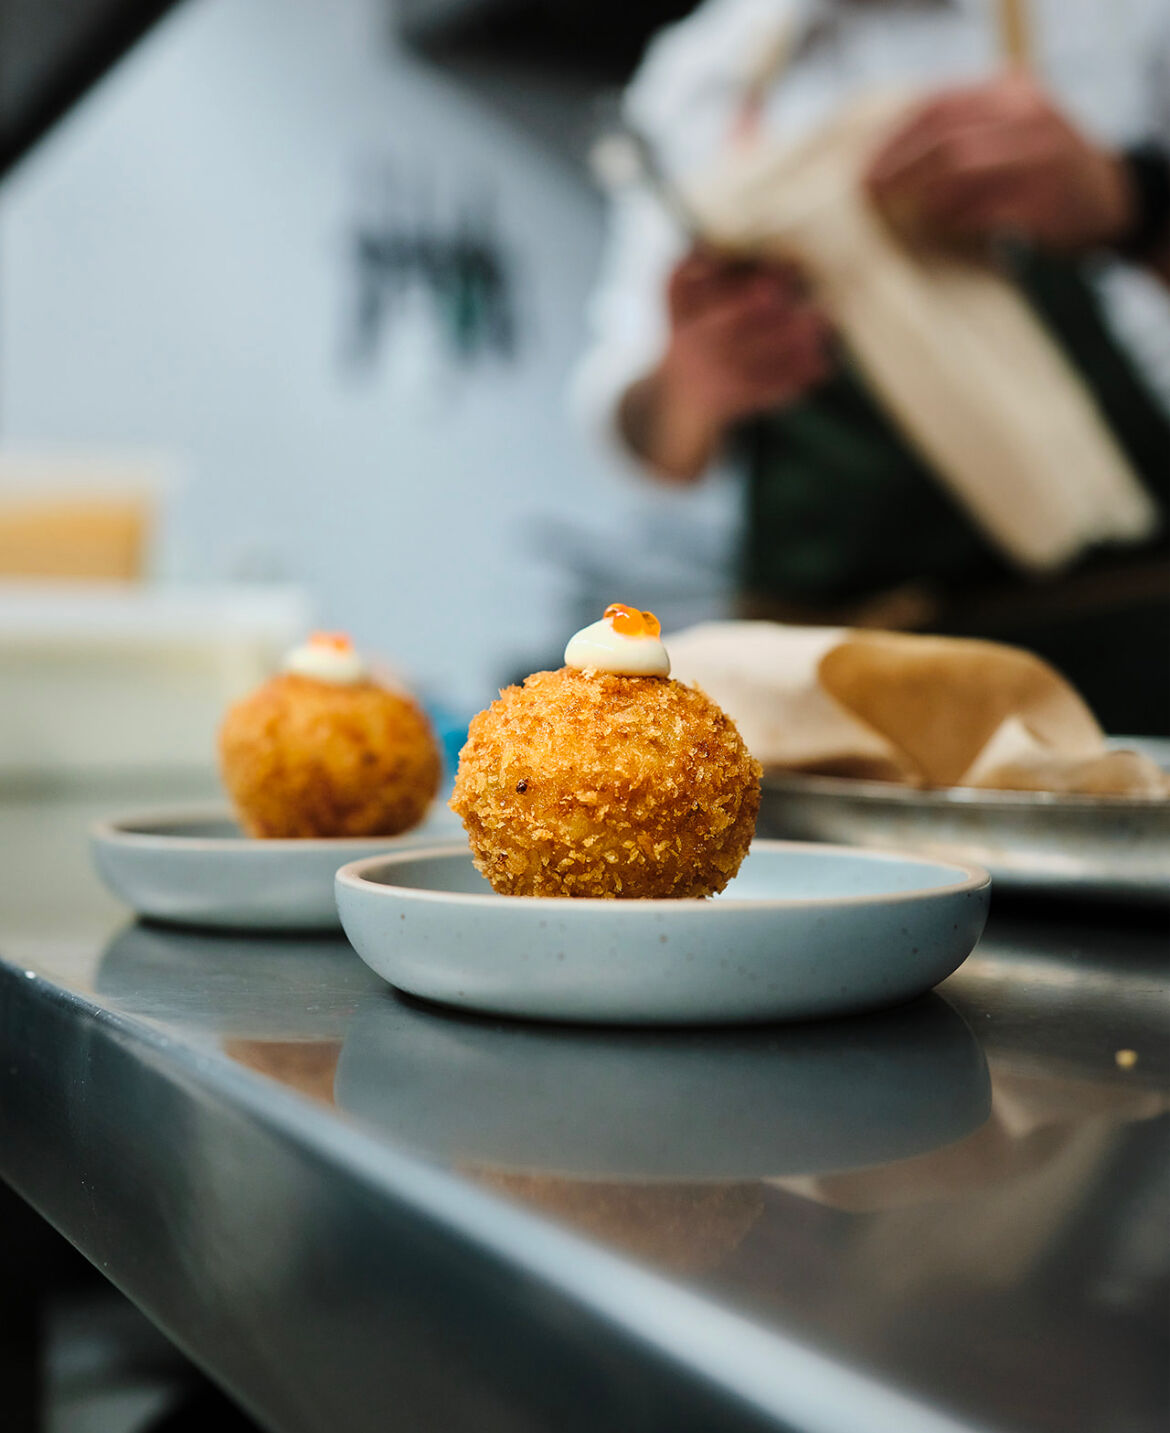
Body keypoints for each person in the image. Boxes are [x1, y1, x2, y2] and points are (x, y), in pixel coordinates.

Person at [575, 0, 1170, 732]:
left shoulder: (1128, 24)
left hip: (1109, 659)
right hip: (820, 678)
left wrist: (1130, 203)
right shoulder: (702, 73)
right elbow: (645, 434)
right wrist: (694, 380)